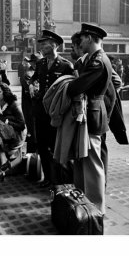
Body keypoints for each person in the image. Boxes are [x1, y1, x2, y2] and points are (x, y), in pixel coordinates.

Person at [66, 23, 113, 215]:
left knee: (93, 165)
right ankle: (86, 206)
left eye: (83, 38)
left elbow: (75, 88)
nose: (80, 41)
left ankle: (95, 212)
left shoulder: (98, 61)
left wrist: (71, 83)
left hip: (93, 115)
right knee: (85, 161)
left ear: (91, 38)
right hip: (91, 114)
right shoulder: (94, 59)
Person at [29, 29, 74, 187]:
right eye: (40, 43)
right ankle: (48, 178)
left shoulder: (66, 65)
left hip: (56, 113)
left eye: (44, 43)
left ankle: (59, 180)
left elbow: (71, 89)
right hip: (40, 112)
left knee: (56, 146)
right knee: (41, 145)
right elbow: (34, 78)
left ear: (54, 45)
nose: (41, 46)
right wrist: (31, 86)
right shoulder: (41, 63)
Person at [0, 82, 26, 177]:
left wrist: (8, 122)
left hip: (14, 135)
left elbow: (22, 125)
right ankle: (2, 166)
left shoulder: (13, 105)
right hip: (0, 135)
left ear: (4, 92)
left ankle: (1, 162)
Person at [19, 53, 42, 152]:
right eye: (36, 63)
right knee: (33, 130)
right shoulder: (28, 74)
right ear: (32, 63)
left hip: (40, 106)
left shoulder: (42, 71)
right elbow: (33, 93)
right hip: (31, 107)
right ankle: (33, 152)